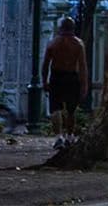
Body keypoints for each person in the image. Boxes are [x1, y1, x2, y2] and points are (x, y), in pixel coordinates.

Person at [42, 17, 88, 148]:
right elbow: (83, 66)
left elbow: (45, 65)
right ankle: (70, 136)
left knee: (55, 109)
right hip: (72, 77)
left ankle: (58, 137)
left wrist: (44, 80)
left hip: (57, 76)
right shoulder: (78, 44)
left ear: (60, 28)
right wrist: (84, 85)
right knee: (71, 110)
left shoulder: (53, 43)